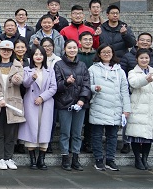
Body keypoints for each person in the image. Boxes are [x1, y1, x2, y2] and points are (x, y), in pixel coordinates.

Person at [89, 44, 131, 171]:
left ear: (113, 54)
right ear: (99, 54)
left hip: (115, 107)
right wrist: (94, 88)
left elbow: (125, 91)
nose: (106, 54)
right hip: (98, 105)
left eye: (109, 52)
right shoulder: (93, 69)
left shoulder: (120, 71)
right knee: (97, 135)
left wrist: (126, 109)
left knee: (112, 136)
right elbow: (88, 85)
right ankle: (98, 159)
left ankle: (110, 159)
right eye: (104, 52)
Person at [17, 46, 57, 170]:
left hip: (45, 103)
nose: (38, 56)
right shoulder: (27, 70)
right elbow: (25, 84)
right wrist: (32, 78)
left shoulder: (50, 70)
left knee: (44, 128)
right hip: (31, 102)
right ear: (32, 56)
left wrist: (42, 97)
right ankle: (33, 159)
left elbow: (53, 87)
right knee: (31, 128)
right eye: (36, 54)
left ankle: (42, 159)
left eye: (41, 54)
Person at [0, 40, 26, 170]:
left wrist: (17, 80)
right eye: (3, 49)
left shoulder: (18, 66)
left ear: (12, 52)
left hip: (13, 103)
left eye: (8, 50)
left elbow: (21, 80)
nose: (6, 52)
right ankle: (0, 158)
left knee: (11, 133)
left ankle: (9, 157)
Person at [54, 39, 91, 171]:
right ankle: (65, 157)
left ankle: (75, 157)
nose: (72, 50)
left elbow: (86, 84)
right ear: (65, 49)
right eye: (69, 48)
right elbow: (56, 85)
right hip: (64, 103)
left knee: (77, 133)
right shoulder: (58, 65)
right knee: (65, 132)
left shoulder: (82, 65)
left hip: (80, 104)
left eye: (74, 48)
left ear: (77, 48)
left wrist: (82, 99)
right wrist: (66, 82)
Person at [126, 49, 153, 170]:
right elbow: (134, 83)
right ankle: (137, 159)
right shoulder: (133, 72)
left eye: (146, 58)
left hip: (152, 107)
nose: (144, 60)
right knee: (136, 134)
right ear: (137, 59)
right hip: (138, 107)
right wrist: (145, 80)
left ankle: (145, 159)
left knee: (149, 136)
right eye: (141, 58)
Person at [77, 31, 97, 153]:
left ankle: (88, 142)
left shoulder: (97, 55)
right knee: (78, 119)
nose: (88, 41)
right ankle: (76, 142)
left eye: (90, 39)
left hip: (93, 90)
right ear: (79, 41)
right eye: (85, 39)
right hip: (78, 90)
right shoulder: (75, 54)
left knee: (90, 119)